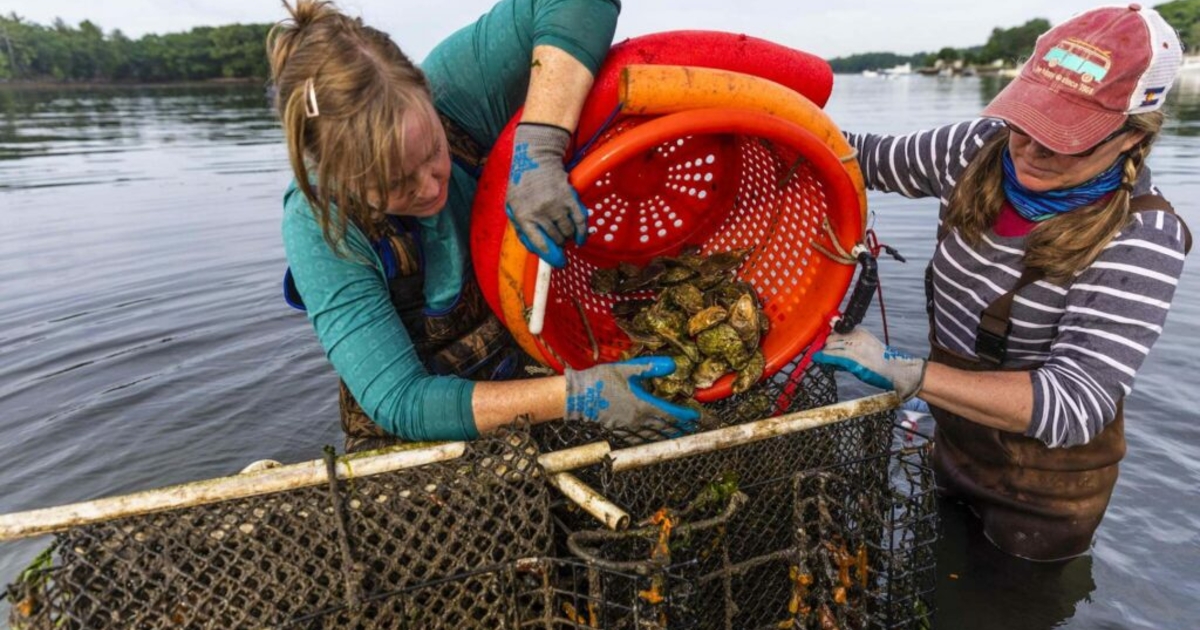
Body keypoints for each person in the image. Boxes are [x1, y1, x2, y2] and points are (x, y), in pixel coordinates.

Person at [814, 4, 1192, 561]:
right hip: (955, 440)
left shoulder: (1141, 234)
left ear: (1132, 137)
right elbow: (857, 158)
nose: (1032, 149)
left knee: (1012, 605)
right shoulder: (976, 149)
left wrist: (907, 371)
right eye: (1027, 122)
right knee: (935, 564)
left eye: (1068, 138)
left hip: (1045, 492)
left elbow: (1076, 402)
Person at [267, 0, 699, 452]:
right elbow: (400, 400)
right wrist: (579, 395)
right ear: (339, 178)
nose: (431, 185)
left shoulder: (456, 93)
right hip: (414, 442)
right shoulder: (320, 223)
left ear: (424, 91)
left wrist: (541, 144)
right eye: (395, 183)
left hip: (524, 368)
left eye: (432, 149)